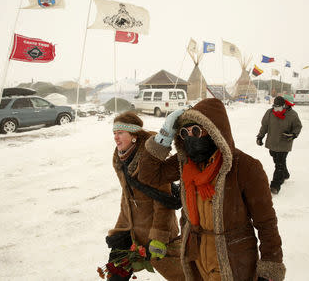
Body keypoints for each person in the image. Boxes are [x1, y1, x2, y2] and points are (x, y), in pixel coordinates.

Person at [139, 99, 286, 281]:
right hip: (197, 260)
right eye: (184, 133)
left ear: (215, 131)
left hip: (233, 263)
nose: (190, 138)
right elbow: (148, 175)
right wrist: (164, 135)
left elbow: (266, 223)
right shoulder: (186, 163)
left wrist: (270, 267)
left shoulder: (246, 167)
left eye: (196, 131)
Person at [106, 111, 185, 281]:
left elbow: (163, 202)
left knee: (181, 275)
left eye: (120, 133)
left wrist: (158, 237)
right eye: (114, 133)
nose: (116, 138)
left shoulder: (150, 160)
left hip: (157, 231)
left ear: (134, 135)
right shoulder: (121, 159)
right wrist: (120, 229)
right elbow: (127, 197)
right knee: (115, 273)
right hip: (131, 230)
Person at [256, 96, 302, 194]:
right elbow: (264, 126)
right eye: (275, 106)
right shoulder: (270, 113)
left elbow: (298, 126)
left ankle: (275, 185)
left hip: (284, 143)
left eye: (278, 107)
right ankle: (285, 174)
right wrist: (260, 137)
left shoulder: (292, 115)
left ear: (284, 105)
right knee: (276, 159)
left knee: (279, 164)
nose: (276, 109)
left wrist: (293, 135)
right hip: (272, 142)